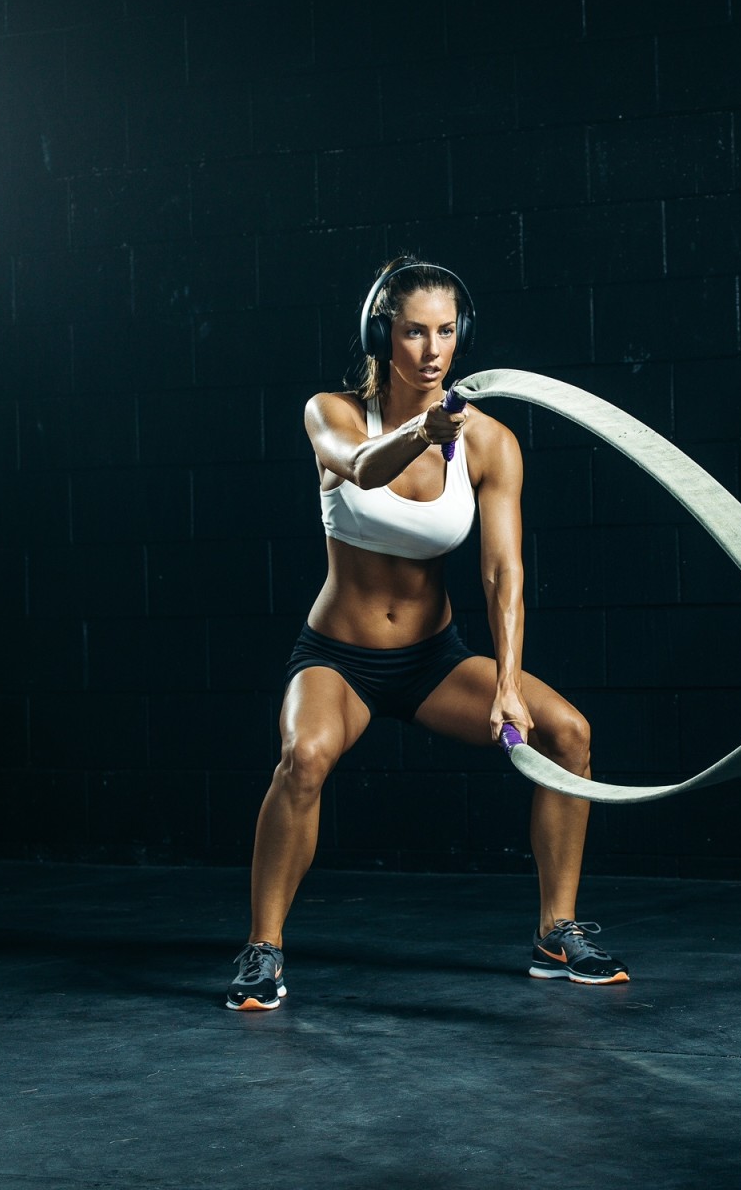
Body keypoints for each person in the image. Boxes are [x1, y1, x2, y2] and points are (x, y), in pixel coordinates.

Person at [226, 258, 628, 1010]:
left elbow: (503, 573)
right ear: (385, 334)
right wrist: (422, 430)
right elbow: (363, 470)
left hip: (431, 661)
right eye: (415, 332)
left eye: (446, 331)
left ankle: (556, 931)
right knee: (303, 757)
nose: (433, 350)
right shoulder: (332, 412)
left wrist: (507, 682)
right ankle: (263, 947)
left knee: (568, 733)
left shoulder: (489, 443)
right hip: (338, 658)